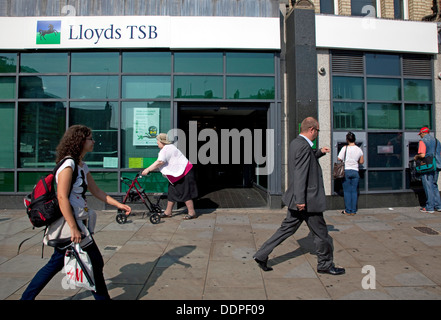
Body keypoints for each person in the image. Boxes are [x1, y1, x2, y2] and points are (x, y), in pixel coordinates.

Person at [21, 125, 131, 300]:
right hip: (72, 224)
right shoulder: (68, 164)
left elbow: (97, 191)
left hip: (78, 223)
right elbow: (62, 197)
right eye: (90, 138)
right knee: (94, 263)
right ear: (80, 141)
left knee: (57, 263)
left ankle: (26, 298)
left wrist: (119, 204)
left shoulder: (81, 165)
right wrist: (73, 227)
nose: (93, 141)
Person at [253, 117, 345, 275]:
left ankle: (261, 255)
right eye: (317, 131)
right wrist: (300, 200)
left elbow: (305, 161)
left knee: (286, 229)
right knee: (322, 234)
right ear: (312, 130)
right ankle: (325, 264)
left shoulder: (297, 143)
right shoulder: (303, 146)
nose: (317, 134)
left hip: (300, 198)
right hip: (307, 200)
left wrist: (319, 152)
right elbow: (301, 174)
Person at [141, 133, 198, 220]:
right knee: (172, 192)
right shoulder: (170, 147)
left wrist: (148, 169)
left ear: (162, 141)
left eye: (157, 141)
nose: (157, 143)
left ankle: (192, 212)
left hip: (184, 173)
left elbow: (160, 162)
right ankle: (168, 212)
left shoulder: (166, 149)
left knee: (184, 192)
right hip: (180, 173)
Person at [414, 126, 441, 214]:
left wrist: (416, 157)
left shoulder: (423, 141)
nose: (420, 136)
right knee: (434, 185)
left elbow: (422, 155)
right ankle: (438, 206)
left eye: (420, 134)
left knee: (428, 186)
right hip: (436, 165)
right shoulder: (437, 141)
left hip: (427, 166)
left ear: (422, 133)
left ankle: (430, 207)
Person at [338, 132, 364, 216]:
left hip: (346, 171)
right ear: (354, 139)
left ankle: (348, 210)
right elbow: (361, 161)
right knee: (354, 191)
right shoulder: (359, 149)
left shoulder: (344, 148)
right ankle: (353, 210)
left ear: (347, 140)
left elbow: (339, 158)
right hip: (355, 171)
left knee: (347, 192)